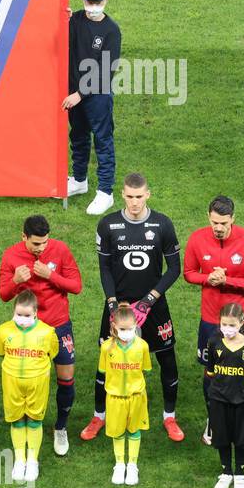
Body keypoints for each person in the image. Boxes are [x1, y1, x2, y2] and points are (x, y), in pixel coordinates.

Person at [82, 172, 184, 442]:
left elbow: (175, 268)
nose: (135, 202)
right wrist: (113, 303)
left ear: (147, 194)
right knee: (107, 360)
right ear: (122, 195)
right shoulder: (108, 224)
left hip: (154, 307)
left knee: (166, 358)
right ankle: (99, 416)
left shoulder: (162, 224)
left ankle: (169, 417)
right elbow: (104, 267)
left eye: (139, 196)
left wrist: (150, 299)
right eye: (129, 196)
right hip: (120, 308)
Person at [182, 195, 244, 451]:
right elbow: (188, 273)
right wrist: (209, 279)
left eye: (223, 222)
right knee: (210, 372)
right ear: (208, 217)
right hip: (211, 320)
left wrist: (227, 281)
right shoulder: (197, 239)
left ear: (233, 218)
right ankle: (213, 420)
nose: (218, 227)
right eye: (213, 222)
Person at [0, 214, 82, 456]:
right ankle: (25, 427)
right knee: (28, 381)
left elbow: (76, 286)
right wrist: (15, 280)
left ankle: (61, 428)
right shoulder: (11, 255)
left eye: (45, 243)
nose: (41, 248)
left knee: (66, 377)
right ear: (23, 237)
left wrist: (50, 275)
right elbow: (3, 294)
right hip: (29, 330)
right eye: (36, 244)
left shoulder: (61, 250)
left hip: (58, 325)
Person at [62, 0, 121, 216]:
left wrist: (79, 94)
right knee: (78, 135)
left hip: (97, 94)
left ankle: (106, 191)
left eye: (97, 1)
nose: (93, 5)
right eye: (89, 1)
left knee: (103, 140)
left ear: (105, 0)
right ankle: (79, 180)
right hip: (75, 93)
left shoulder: (111, 31)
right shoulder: (75, 20)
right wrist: (61, 20)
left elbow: (106, 71)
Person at [0, 291, 59, 483]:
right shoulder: (4, 330)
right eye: (19, 315)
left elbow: (51, 353)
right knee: (17, 420)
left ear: (36, 313)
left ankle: (32, 460)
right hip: (11, 382)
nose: (22, 319)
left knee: (34, 420)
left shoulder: (47, 332)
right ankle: (19, 460)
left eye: (27, 315)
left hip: (37, 382)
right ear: (13, 311)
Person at [202, 303, 244, 488]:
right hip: (219, 399)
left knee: (242, 439)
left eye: (232, 325)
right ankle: (226, 472)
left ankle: (240, 474)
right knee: (222, 437)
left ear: (242, 323)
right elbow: (209, 371)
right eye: (224, 324)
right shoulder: (213, 343)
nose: (227, 329)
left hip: (243, 401)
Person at [98, 303, 151, 486]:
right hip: (114, 398)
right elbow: (103, 370)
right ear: (114, 327)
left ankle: (132, 465)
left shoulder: (142, 346)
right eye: (122, 329)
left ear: (136, 325)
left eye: (130, 329)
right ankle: (119, 464)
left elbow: (145, 369)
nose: (126, 332)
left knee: (134, 431)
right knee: (118, 432)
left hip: (136, 396)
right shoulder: (106, 348)